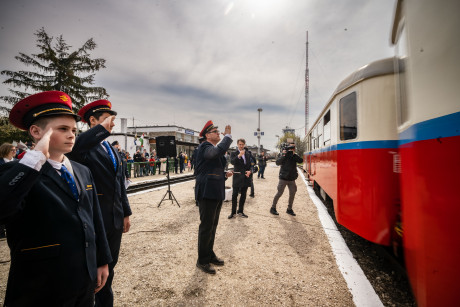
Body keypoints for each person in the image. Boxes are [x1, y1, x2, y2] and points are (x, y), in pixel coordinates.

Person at [0, 91, 112, 305]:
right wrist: (35, 159)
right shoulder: (19, 172)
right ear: (35, 131)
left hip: (83, 281)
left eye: (73, 130)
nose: (72, 135)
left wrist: (102, 260)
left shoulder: (81, 171)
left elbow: (94, 218)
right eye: (62, 129)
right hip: (41, 285)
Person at [67, 99, 132, 307]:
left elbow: (119, 184)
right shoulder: (83, 147)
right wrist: (101, 130)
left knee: (109, 267)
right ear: (92, 121)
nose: (111, 124)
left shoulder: (111, 149)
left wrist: (125, 212)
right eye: (106, 120)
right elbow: (76, 146)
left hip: (113, 219)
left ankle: (105, 301)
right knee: (92, 272)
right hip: (95, 219)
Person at [195, 120, 233, 274]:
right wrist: (228, 136)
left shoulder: (212, 148)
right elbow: (214, 154)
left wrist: (224, 175)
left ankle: (209, 254)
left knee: (213, 226)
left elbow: (213, 168)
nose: (219, 133)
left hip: (215, 191)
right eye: (215, 132)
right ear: (207, 135)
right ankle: (202, 260)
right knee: (206, 227)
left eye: (219, 132)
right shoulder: (205, 146)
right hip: (207, 193)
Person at [270, 143, 303, 216]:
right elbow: (277, 163)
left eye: (292, 148)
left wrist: (294, 154)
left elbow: (301, 161)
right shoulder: (282, 154)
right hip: (283, 178)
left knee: (292, 193)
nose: (291, 150)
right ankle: (273, 208)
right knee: (279, 193)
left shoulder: (294, 155)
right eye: (290, 148)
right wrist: (284, 155)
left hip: (291, 178)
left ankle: (289, 209)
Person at [228, 139, 252, 219]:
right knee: (234, 195)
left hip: (245, 177)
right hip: (237, 177)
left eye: (242, 144)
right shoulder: (234, 153)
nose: (241, 146)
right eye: (240, 144)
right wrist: (239, 156)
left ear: (244, 145)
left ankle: (240, 211)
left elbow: (251, 164)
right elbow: (232, 162)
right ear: (237, 144)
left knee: (243, 195)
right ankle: (233, 212)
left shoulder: (248, 153)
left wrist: (250, 171)